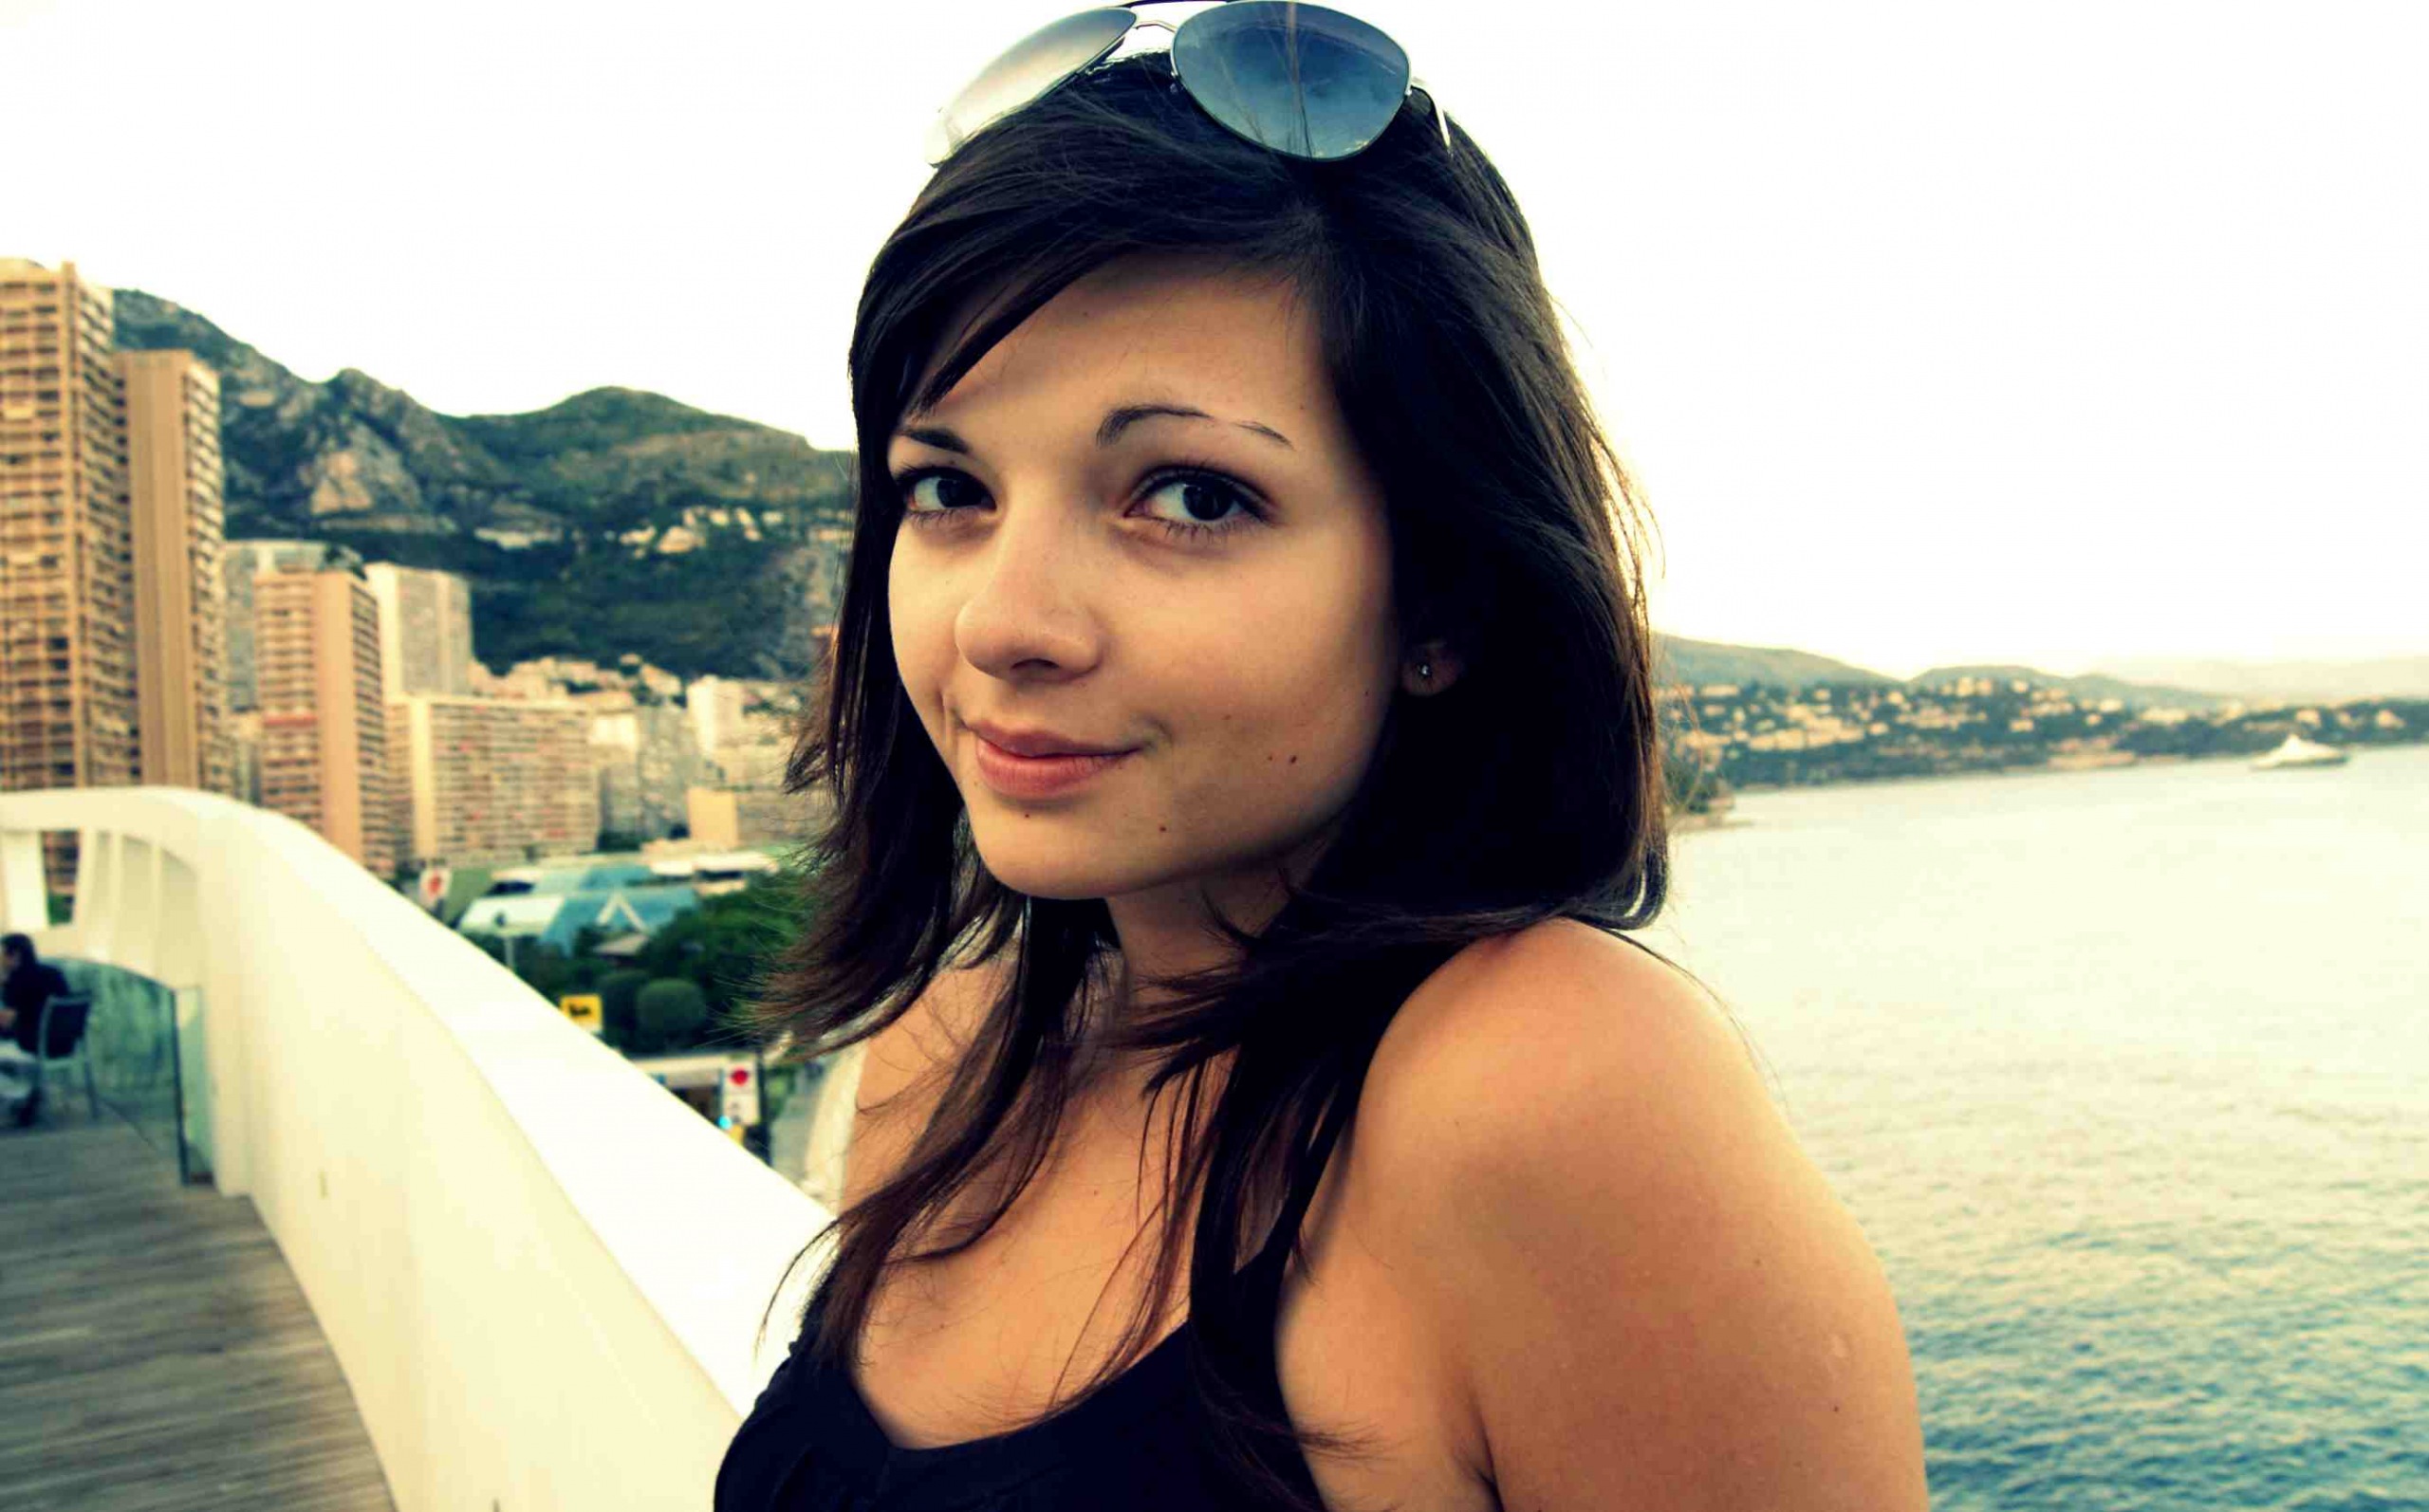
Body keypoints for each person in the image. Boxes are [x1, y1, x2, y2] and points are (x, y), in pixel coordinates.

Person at [716, 6, 1927, 1509]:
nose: (1004, 622)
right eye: (948, 487)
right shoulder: (949, 1047)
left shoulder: (1549, 1088)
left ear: (1442, 601)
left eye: (1190, 497)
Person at [2, 932, 71, 1127]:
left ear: (14, 955)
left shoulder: (16, 981)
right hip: (64, 1045)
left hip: (33, 1046)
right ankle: (28, 1093)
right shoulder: (54, 973)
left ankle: (22, 1093)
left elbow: (6, 1022)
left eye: (2, 953)